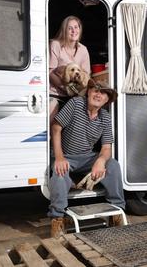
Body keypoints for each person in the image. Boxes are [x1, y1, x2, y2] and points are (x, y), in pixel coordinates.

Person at [48, 80, 125, 238]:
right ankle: (57, 219)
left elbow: (106, 148)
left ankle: (116, 213)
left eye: (103, 93)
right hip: (66, 156)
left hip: (87, 157)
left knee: (113, 165)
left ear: (107, 100)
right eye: (95, 90)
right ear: (88, 92)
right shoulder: (75, 104)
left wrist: (100, 161)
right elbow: (56, 128)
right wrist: (59, 157)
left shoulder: (105, 117)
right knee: (59, 174)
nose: (98, 94)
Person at [48, 16, 91, 123]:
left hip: (76, 95)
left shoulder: (83, 49)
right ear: (64, 30)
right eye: (69, 28)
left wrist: (77, 91)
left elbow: (86, 74)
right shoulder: (55, 45)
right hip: (55, 93)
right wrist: (66, 88)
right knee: (52, 111)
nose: (74, 31)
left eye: (76, 27)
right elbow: (50, 72)